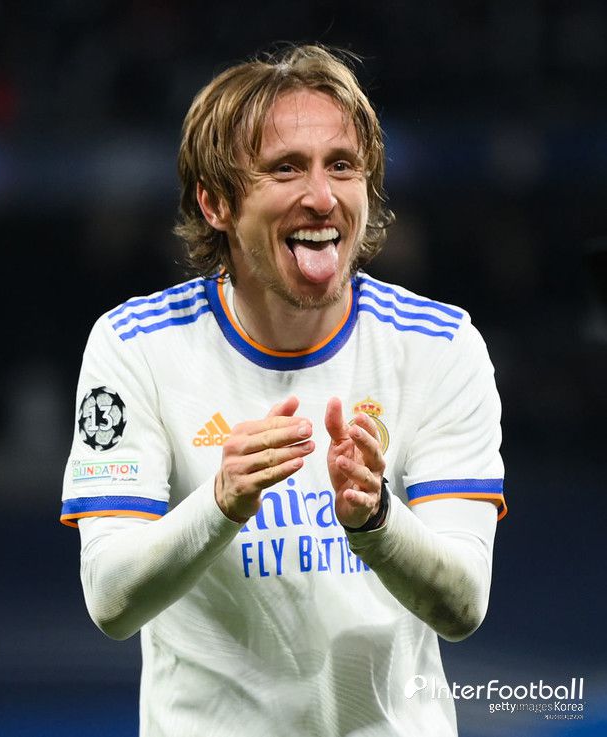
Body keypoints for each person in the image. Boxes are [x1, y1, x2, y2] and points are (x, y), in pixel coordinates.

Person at [61, 44, 506, 737]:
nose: (323, 197)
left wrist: (377, 519)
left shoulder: (440, 346)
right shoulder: (136, 347)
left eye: (343, 165)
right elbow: (111, 599)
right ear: (215, 202)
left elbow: (464, 605)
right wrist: (220, 502)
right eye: (286, 168)